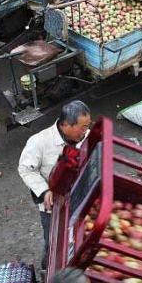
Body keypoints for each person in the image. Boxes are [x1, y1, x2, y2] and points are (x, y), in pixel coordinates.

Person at [18, 101, 92, 272]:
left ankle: (74, 274)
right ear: (65, 124)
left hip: (79, 199)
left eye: (87, 126)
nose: (85, 131)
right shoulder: (39, 142)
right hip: (52, 206)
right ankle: (48, 274)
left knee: (80, 239)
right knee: (54, 243)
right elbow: (26, 169)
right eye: (82, 127)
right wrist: (44, 191)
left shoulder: (85, 137)